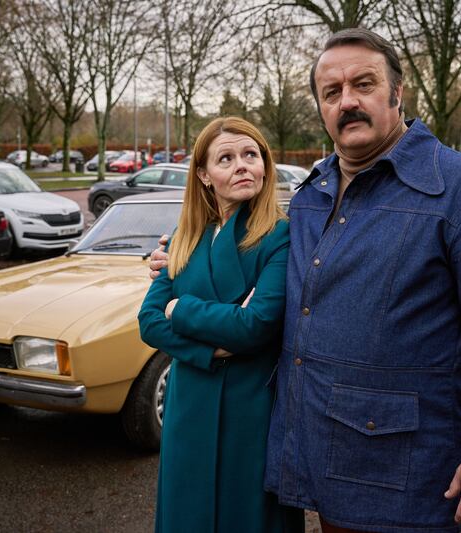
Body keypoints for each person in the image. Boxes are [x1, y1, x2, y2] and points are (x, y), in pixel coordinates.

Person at [151, 28, 461, 533]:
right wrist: (174, 262)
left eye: (364, 84)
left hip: (408, 476)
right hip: (321, 466)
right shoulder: (313, 193)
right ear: (320, 106)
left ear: (397, 93)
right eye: (332, 92)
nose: (348, 101)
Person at [138, 117, 303, 533]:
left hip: (253, 407)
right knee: (186, 512)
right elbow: (148, 322)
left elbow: (253, 326)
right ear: (204, 175)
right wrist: (211, 349)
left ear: (265, 164)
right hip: (188, 404)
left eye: (251, 155)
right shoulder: (185, 235)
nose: (242, 165)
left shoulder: (281, 235)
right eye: (225, 158)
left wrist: (181, 308)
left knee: (247, 516)